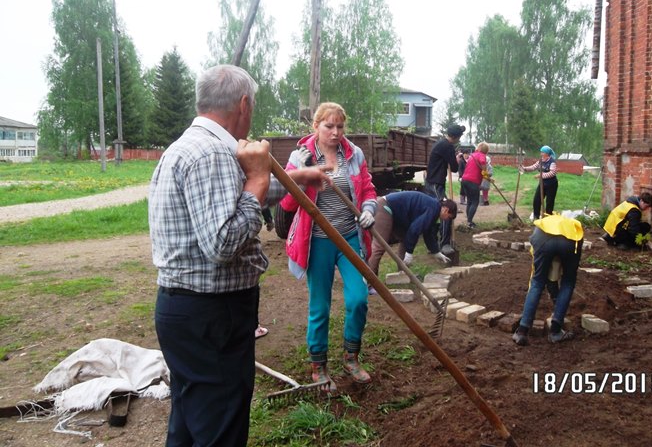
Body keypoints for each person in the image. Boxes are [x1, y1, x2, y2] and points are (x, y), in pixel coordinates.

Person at [149, 64, 331, 447]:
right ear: (244, 104)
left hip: (184, 311)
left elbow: (230, 202)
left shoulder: (184, 147)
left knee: (189, 421)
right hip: (213, 315)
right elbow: (222, 243)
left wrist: (290, 178)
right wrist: (258, 180)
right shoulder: (213, 154)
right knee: (221, 430)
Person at [280, 102, 378, 393]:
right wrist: (300, 171)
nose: (335, 132)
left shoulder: (354, 154)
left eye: (340, 127)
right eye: (328, 126)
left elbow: (368, 189)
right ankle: (318, 365)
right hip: (319, 240)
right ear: (316, 126)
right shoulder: (302, 157)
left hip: (349, 236)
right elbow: (286, 204)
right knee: (320, 305)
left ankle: (351, 357)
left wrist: (370, 208)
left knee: (358, 298)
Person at [512, 214, 584, 346]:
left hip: (543, 239)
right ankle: (555, 332)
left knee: (537, 282)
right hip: (569, 241)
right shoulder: (574, 226)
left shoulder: (541, 225)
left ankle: (522, 332)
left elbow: (541, 273)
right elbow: (562, 270)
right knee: (568, 281)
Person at [367, 192, 458, 280]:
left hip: (396, 213)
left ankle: (403, 273)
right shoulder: (433, 209)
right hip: (385, 207)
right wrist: (409, 253)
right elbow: (414, 230)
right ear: (445, 210)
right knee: (379, 246)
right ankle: (370, 282)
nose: (446, 220)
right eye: (449, 217)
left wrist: (436, 252)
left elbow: (428, 233)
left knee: (404, 238)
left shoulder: (434, 209)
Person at [424, 124, 464, 249]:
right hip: (435, 184)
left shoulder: (441, 143)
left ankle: (433, 244)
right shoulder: (447, 146)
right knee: (447, 210)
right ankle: (445, 244)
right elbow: (454, 168)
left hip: (432, 182)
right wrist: (457, 159)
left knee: (434, 212)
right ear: (456, 137)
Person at [521, 146, 558, 219]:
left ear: (547, 153)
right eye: (541, 152)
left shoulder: (552, 162)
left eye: (542, 152)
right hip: (542, 184)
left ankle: (548, 218)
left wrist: (540, 175)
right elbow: (533, 167)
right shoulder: (541, 160)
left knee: (549, 202)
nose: (541, 154)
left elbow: (552, 173)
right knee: (537, 200)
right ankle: (536, 217)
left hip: (552, 184)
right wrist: (524, 168)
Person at [461, 142, 490, 229]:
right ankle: (469, 222)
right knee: (475, 202)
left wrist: (486, 176)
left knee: (470, 201)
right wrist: (485, 173)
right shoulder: (482, 155)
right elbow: (482, 163)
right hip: (473, 182)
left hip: (464, 180)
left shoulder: (473, 155)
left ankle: (468, 222)